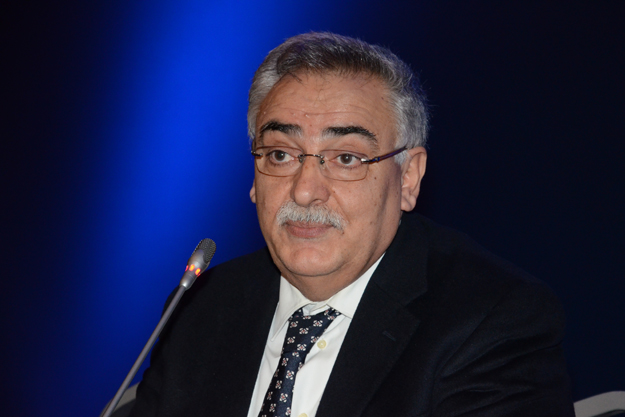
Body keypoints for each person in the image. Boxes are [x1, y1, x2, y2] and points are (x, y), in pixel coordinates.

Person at [129, 32, 574, 417]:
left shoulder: (490, 320)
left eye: (346, 158)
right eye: (281, 154)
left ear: (408, 178)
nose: (305, 191)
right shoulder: (201, 310)